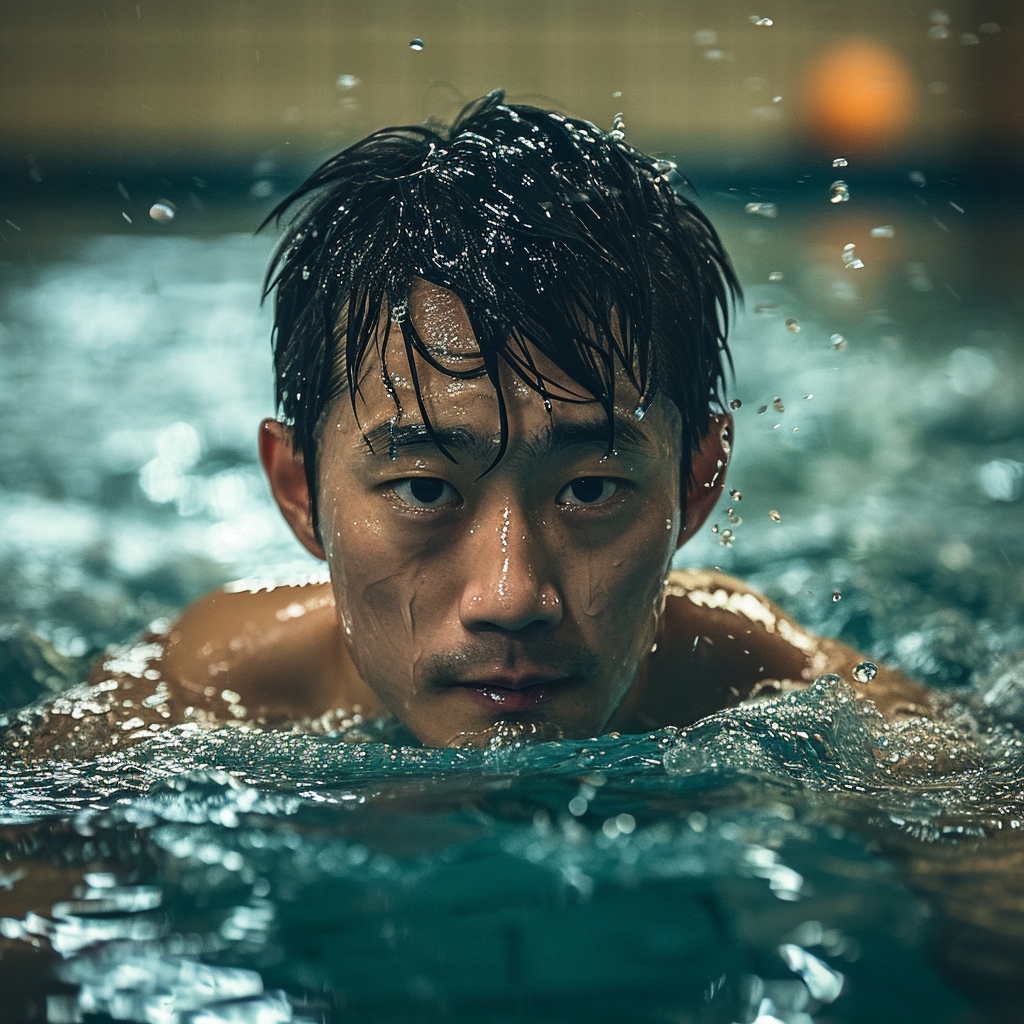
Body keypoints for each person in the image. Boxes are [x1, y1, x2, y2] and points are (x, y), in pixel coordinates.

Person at [4, 91, 931, 758]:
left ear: (696, 481)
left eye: (591, 489)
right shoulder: (199, 697)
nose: (510, 595)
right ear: (298, 490)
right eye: (422, 489)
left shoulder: (781, 689)